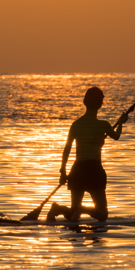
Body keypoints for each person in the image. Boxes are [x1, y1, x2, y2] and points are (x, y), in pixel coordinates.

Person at [47, 87, 129, 223]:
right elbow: (116, 136)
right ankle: (82, 209)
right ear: (100, 104)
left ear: (85, 102)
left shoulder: (76, 125)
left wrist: (63, 170)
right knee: (102, 214)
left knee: (73, 212)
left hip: (77, 170)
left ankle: (58, 209)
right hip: (94, 170)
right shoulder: (103, 125)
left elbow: (66, 149)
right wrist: (120, 122)